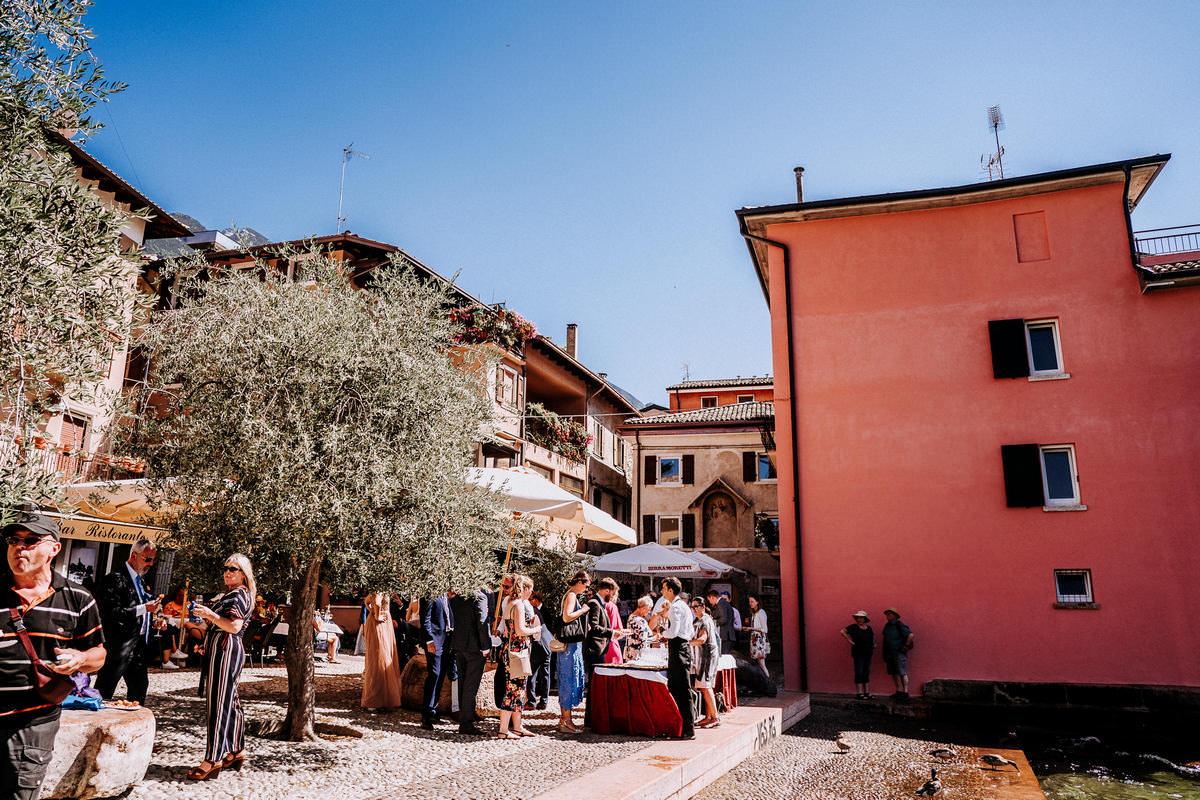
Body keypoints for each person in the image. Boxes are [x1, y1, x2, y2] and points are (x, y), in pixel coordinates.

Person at [1, 513, 106, 799]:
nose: (19, 548)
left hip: (32, 724)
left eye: (31, 540)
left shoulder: (77, 599)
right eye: (13, 540)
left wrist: (80, 659)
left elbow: (99, 654)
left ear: (54, 548)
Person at [187, 553, 255, 780]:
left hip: (226, 651)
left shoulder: (238, 595)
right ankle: (236, 750)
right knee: (230, 701)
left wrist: (209, 614)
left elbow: (233, 626)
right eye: (225, 568)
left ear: (243, 574)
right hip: (223, 649)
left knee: (218, 703)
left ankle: (212, 759)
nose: (227, 572)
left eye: (233, 569)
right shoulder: (235, 594)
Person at [95, 538, 161, 705]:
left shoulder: (141, 581)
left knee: (140, 688)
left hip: (137, 646)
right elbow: (112, 613)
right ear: (134, 555)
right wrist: (144, 609)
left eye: (153, 560)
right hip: (119, 645)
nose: (151, 564)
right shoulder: (115, 578)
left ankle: (134, 725)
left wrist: (153, 620)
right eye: (147, 559)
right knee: (104, 689)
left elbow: (140, 610)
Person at [497, 575, 541, 739]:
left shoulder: (509, 602)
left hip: (511, 650)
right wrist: (535, 630)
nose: (531, 593)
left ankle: (516, 726)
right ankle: (503, 730)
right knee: (513, 689)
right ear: (525, 588)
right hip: (518, 651)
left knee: (518, 689)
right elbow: (521, 630)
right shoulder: (519, 605)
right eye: (530, 589)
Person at [449, 587, 490, 734]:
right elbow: (482, 623)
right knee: (470, 685)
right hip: (474, 647)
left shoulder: (458, 597)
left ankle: (465, 716)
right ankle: (466, 722)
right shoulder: (480, 597)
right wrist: (486, 645)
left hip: (459, 645)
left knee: (463, 682)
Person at [658, 577, 695, 739]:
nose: (662, 591)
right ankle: (685, 727)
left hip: (678, 648)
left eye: (664, 588)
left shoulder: (675, 608)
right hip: (684, 648)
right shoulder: (684, 606)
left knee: (679, 689)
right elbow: (690, 631)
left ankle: (685, 729)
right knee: (682, 689)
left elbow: (673, 632)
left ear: (671, 590)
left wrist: (662, 633)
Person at [555, 571, 590, 734]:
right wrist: (583, 610)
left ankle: (565, 719)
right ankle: (566, 720)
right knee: (568, 680)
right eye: (586, 584)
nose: (587, 588)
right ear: (580, 582)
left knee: (568, 679)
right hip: (569, 647)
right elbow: (567, 617)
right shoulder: (571, 596)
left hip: (572, 646)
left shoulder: (570, 595)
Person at [360, 591, 402, 712]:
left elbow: (366, 602)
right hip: (380, 624)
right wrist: (377, 615)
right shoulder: (380, 588)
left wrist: (371, 611)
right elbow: (377, 603)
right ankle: (376, 699)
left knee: (379, 657)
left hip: (380, 622)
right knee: (380, 658)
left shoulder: (376, 589)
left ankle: (382, 698)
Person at [582, 578, 613, 728]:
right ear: (606, 590)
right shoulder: (594, 603)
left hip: (598, 648)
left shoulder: (598, 603)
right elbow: (593, 627)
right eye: (611, 593)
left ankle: (592, 718)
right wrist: (612, 633)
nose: (612, 596)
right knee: (594, 685)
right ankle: (591, 719)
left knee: (595, 685)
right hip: (594, 649)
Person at [419, 592, 453, 730]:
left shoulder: (446, 595)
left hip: (447, 640)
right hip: (435, 641)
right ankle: (426, 714)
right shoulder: (429, 594)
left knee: (440, 675)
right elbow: (425, 619)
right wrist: (429, 640)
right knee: (434, 674)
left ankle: (433, 710)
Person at [689, 598, 721, 728]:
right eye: (692, 607)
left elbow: (702, 639)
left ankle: (715, 718)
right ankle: (708, 717)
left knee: (705, 686)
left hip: (707, 658)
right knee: (705, 686)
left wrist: (686, 643)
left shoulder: (705, 620)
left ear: (703, 606)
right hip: (704, 657)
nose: (694, 609)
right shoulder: (699, 620)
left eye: (696, 606)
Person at [525, 592, 552, 710]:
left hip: (538, 644)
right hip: (547, 644)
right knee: (545, 674)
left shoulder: (532, 610)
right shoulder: (536, 610)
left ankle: (531, 701)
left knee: (532, 673)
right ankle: (544, 701)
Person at [881, 607, 915, 701]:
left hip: (898, 652)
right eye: (887, 614)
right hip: (890, 653)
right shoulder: (887, 625)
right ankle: (899, 691)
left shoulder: (899, 624)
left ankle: (905, 692)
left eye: (890, 614)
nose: (887, 616)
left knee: (902, 672)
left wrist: (906, 646)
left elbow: (911, 635)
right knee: (894, 672)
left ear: (895, 616)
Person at [840, 610, 874, 699]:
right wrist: (849, 639)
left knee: (866, 671)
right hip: (858, 652)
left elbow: (872, 637)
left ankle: (867, 692)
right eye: (858, 618)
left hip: (868, 652)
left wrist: (874, 644)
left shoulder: (869, 628)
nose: (859, 619)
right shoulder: (853, 627)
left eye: (861, 618)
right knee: (859, 671)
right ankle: (859, 693)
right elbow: (842, 631)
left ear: (865, 619)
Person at [742, 593, 770, 679]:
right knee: (759, 663)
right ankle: (765, 681)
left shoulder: (761, 612)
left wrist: (750, 628)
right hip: (755, 640)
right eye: (749, 602)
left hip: (759, 640)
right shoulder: (755, 613)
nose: (750, 603)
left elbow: (764, 629)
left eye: (752, 601)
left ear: (757, 602)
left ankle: (768, 681)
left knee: (762, 663)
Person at [600, 579, 624, 664]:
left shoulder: (597, 604)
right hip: (612, 644)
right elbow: (619, 629)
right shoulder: (612, 606)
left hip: (600, 646)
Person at [706, 589, 736, 655]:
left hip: (726, 636)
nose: (710, 602)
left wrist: (713, 621)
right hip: (727, 636)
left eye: (709, 600)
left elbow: (723, 619)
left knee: (724, 657)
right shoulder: (723, 603)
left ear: (712, 597)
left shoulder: (721, 604)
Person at [623, 595, 653, 662]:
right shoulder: (640, 620)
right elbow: (644, 639)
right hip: (638, 655)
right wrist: (655, 638)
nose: (649, 612)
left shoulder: (631, 617)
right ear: (644, 608)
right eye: (649, 609)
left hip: (630, 653)